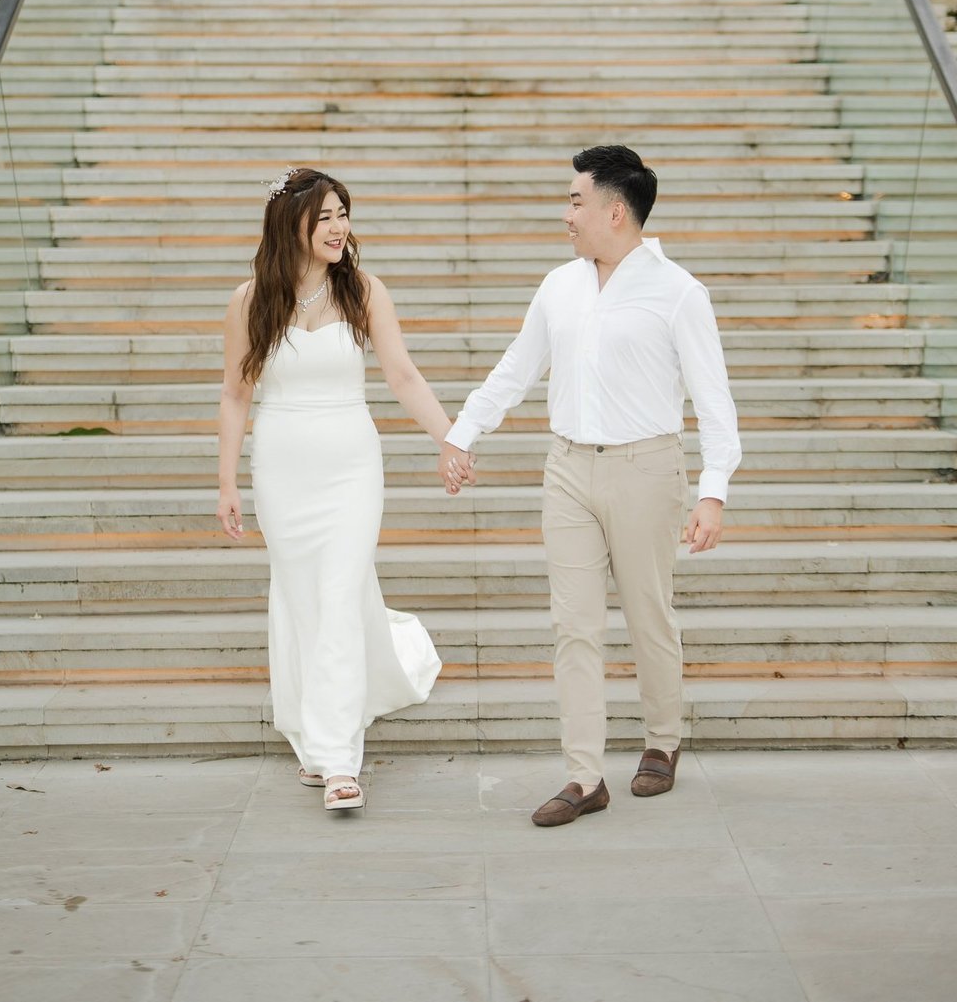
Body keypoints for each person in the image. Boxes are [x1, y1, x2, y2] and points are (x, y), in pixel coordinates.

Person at [439, 145, 740, 827]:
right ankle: (584, 775)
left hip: (646, 469)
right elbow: (518, 366)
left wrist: (713, 490)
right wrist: (464, 431)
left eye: (576, 200)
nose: (566, 213)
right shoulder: (559, 286)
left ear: (614, 210)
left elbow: (714, 403)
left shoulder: (679, 293)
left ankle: (662, 740)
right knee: (573, 625)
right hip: (568, 470)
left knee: (647, 614)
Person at [217, 166, 463, 811]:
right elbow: (235, 394)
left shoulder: (364, 292)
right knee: (302, 597)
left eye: (343, 214)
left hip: (352, 464)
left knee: (335, 589)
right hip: (281, 466)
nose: (338, 227)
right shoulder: (249, 301)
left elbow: (404, 376)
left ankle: (340, 762)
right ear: (290, 222)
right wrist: (226, 483)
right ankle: (312, 733)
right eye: (324, 216)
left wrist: (449, 438)